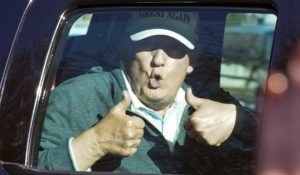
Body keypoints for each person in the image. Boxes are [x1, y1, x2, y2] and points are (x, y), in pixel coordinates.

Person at [38, 10, 256, 174]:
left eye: (175, 48)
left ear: (193, 61)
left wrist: (240, 120)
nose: (158, 60)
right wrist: (95, 143)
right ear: (125, 49)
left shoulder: (211, 101)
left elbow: (281, 149)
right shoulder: (79, 96)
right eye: (149, 44)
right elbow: (24, 166)